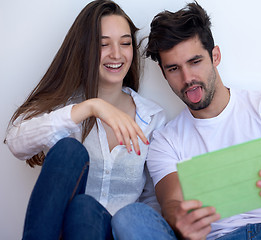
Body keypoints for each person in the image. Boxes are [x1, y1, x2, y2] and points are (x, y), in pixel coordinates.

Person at [111, 2, 261, 240]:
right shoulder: (165, 141)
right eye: (174, 69)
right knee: (130, 216)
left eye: (195, 62)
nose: (188, 78)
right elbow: (172, 204)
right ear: (164, 74)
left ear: (215, 56)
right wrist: (181, 222)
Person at [4, 0, 166, 239]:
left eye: (125, 43)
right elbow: (16, 143)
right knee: (74, 169)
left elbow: (152, 201)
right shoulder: (69, 108)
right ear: (85, 48)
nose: (117, 54)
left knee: (87, 208)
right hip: (71, 230)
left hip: (120, 233)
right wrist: (91, 107)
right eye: (104, 44)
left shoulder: (153, 117)